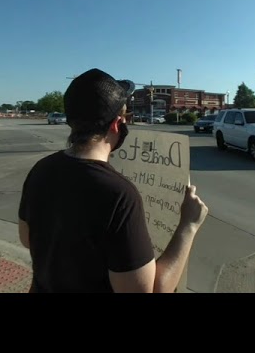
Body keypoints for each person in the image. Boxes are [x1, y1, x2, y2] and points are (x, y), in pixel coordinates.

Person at [18, 68, 208, 293]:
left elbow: (27, 240)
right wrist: (189, 226)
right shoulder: (118, 195)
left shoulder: (41, 169)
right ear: (117, 124)